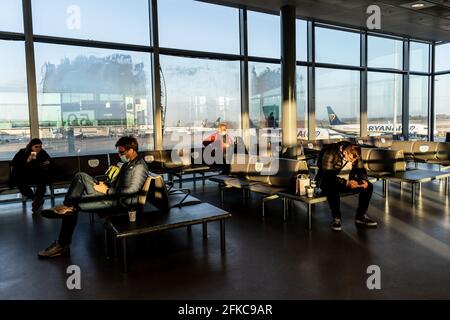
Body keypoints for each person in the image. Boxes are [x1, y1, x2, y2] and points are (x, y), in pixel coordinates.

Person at [38, 136, 148, 258]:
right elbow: (117, 183)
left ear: (131, 150)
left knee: (72, 206)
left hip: (118, 203)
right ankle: (67, 206)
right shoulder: (127, 164)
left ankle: (62, 243)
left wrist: (107, 191)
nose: (119, 154)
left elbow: (132, 190)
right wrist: (105, 185)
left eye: (121, 152)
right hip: (110, 195)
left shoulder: (139, 166)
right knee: (81, 176)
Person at [316, 141, 377, 231]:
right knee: (332, 187)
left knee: (368, 187)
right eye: (350, 159)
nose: (353, 162)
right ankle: (337, 218)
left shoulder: (355, 153)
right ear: (345, 152)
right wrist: (346, 183)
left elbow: (361, 169)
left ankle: (360, 216)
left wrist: (364, 180)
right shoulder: (330, 153)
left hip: (347, 181)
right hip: (329, 181)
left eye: (354, 160)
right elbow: (328, 175)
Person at [10, 138, 51, 213]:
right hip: (23, 175)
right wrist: (28, 160)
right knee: (20, 181)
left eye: (40, 146)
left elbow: (48, 159)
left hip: (35, 174)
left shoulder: (42, 152)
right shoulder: (22, 152)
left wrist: (46, 162)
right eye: (36, 147)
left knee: (42, 180)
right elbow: (14, 164)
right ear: (31, 146)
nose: (38, 148)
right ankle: (36, 199)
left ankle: (37, 199)